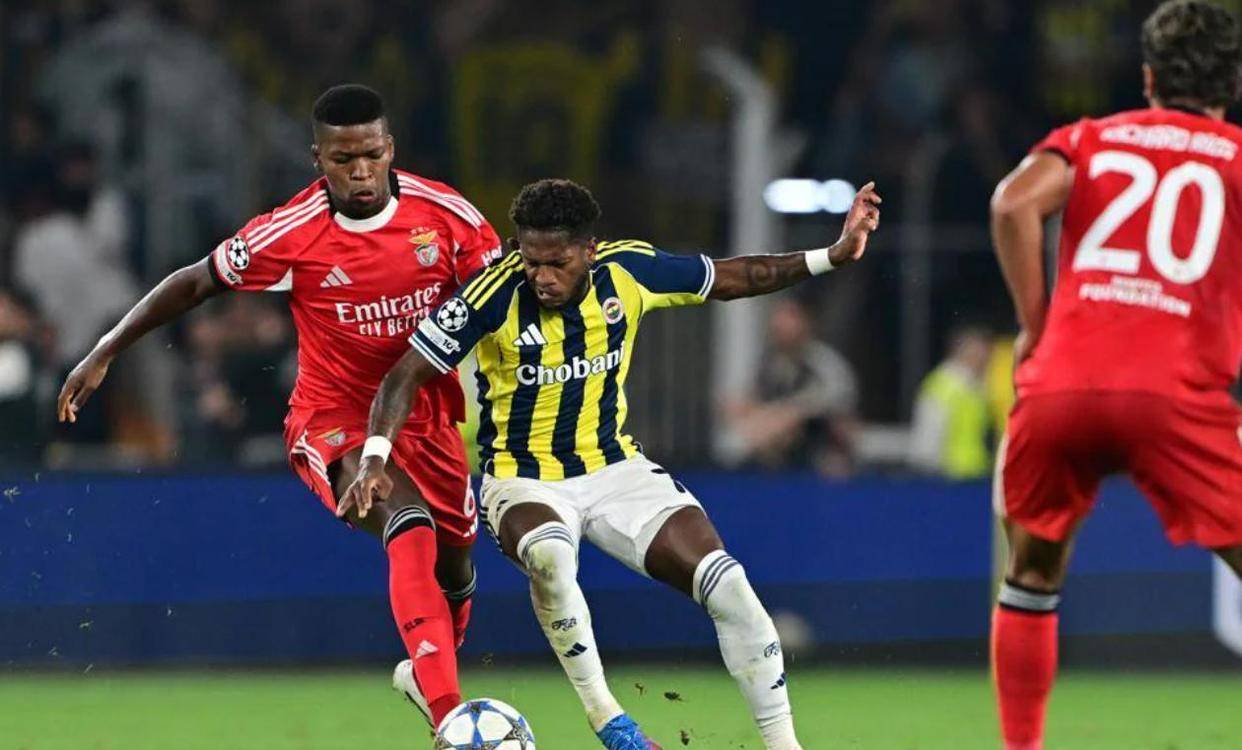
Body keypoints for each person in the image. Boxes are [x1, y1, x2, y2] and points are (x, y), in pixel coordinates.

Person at [342, 178, 882, 750]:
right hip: (523, 480)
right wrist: (375, 459)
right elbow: (404, 375)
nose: (543, 277)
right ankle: (611, 722)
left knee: (731, 587)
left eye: (558, 263)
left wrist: (833, 254)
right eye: (532, 261)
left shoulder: (629, 271)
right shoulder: (489, 295)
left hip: (616, 469)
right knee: (550, 555)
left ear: (590, 250)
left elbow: (739, 276)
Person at [56, 84, 503, 728]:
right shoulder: (290, 232)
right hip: (335, 421)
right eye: (343, 158)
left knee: (456, 564)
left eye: (372, 155)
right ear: (318, 159)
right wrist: (107, 348)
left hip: (427, 419)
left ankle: (430, 671)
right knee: (407, 525)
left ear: (390, 148)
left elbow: (500, 300)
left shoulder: (448, 216)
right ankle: (450, 716)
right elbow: (196, 282)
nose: (360, 171)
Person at [989, 3, 1242, 749]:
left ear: (1149, 77)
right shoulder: (1234, 156)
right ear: (1231, 83)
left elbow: (1012, 204)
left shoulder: (1092, 138)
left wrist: (1036, 327)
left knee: (1031, 572)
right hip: (1174, 395)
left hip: (1063, 386)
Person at [725, 297, 860, 476]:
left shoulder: (825, 365)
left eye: (790, 317)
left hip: (820, 455)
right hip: (775, 456)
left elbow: (828, 410)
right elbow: (739, 404)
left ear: (806, 323)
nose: (780, 324)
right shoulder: (767, 364)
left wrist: (777, 420)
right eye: (778, 318)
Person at [907, 325, 993, 479]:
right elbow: (928, 437)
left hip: (974, 473)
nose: (986, 357)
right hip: (949, 476)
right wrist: (931, 474)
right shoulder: (943, 385)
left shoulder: (975, 385)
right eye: (980, 351)